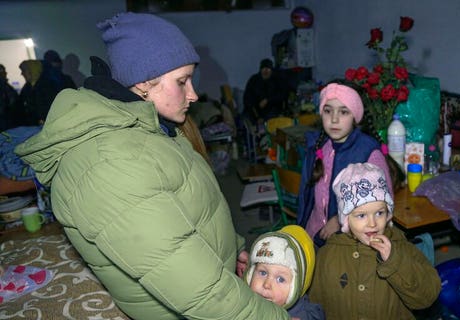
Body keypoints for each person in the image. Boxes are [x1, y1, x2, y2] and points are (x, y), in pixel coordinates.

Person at [15, 12, 290, 319]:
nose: (194, 94)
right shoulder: (108, 164)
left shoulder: (153, 126)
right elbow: (197, 290)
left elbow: (191, 203)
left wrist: (232, 246)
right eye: (182, 81)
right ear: (144, 82)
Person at [308, 163, 441, 319]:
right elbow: (315, 304)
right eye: (361, 215)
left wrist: (395, 262)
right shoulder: (327, 255)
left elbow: (426, 297)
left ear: (388, 213)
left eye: (379, 213)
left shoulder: (401, 247)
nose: (372, 223)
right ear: (346, 219)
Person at [296, 81, 399, 247]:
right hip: (313, 234)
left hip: (349, 243)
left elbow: (384, 205)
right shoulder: (319, 146)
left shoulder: (368, 153)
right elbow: (306, 199)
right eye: (328, 111)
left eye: (343, 112)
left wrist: (340, 219)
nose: (334, 119)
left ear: (355, 117)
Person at [245, 225, 325, 320]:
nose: (266, 284)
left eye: (280, 279)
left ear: (296, 286)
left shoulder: (303, 315)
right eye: (263, 273)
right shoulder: (243, 302)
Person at [243, 58, 287, 122]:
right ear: (260, 70)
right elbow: (247, 99)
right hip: (255, 110)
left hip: (272, 110)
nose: (266, 71)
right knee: (244, 119)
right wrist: (257, 116)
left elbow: (282, 95)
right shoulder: (254, 80)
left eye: (268, 69)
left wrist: (268, 100)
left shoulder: (277, 80)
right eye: (264, 69)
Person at [17, 59, 59, 126]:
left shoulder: (48, 85)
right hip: (33, 126)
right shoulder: (26, 88)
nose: (22, 74)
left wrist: (43, 118)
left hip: (49, 124)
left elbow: (53, 106)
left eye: (23, 71)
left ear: (31, 70)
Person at [0, 64, 19, 131]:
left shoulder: (6, 86)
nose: (5, 73)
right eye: (1, 72)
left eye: (3, 71)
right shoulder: (4, 86)